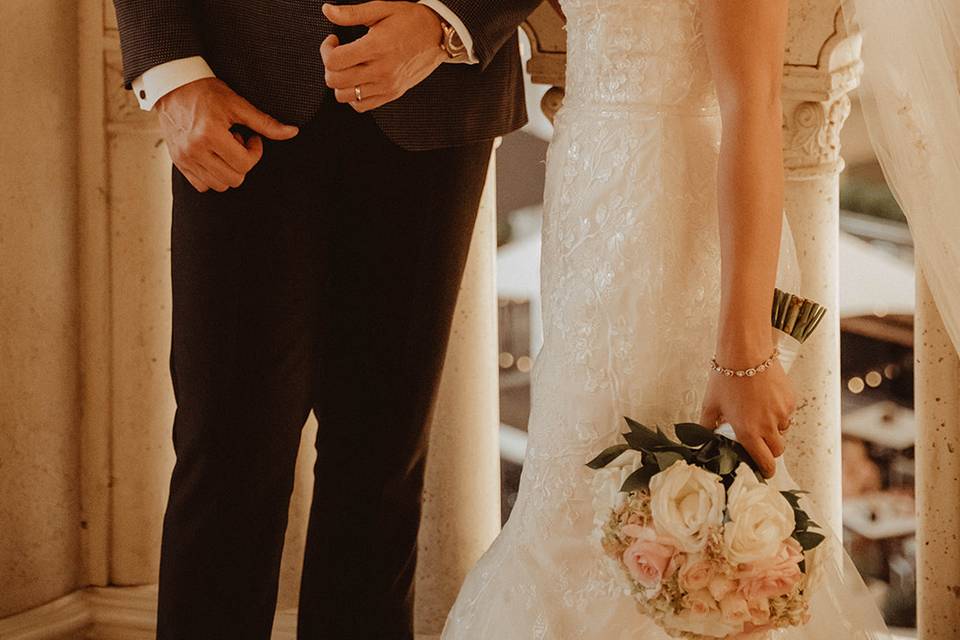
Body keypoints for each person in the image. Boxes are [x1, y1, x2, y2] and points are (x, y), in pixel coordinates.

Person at [443, 1, 889, 638]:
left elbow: (753, 106)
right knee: (573, 492)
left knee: (685, 517)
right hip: (589, 209)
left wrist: (744, 354)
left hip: (679, 225)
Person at [110, 0, 539, 638]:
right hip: (234, 91)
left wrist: (449, 22)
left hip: (434, 93)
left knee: (383, 466)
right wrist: (171, 71)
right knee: (225, 453)